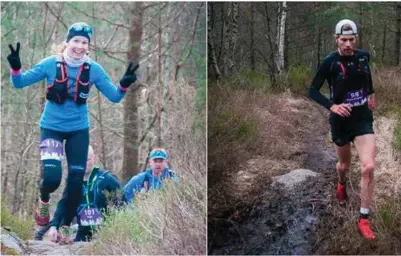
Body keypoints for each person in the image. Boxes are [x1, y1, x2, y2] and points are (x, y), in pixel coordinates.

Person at [7, 22, 138, 244]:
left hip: (79, 130)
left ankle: (66, 225)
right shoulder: (51, 64)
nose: (79, 46)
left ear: (88, 46)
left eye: (84, 42)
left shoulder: (94, 69)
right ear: (67, 42)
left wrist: (124, 85)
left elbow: (115, 97)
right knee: (52, 177)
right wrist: (16, 68)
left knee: (76, 181)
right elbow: (19, 83)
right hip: (52, 128)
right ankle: (44, 199)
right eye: (75, 40)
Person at [308, 19, 376, 240]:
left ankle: (363, 219)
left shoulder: (363, 56)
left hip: (362, 119)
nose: (348, 44)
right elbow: (313, 90)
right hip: (341, 122)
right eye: (344, 40)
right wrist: (332, 106)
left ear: (355, 39)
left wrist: (371, 94)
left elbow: (367, 76)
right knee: (344, 165)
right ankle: (341, 183)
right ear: (336, 39)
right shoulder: (330, 62)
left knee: (368, 167)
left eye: (351, 39)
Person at [34, 145, 122, 243]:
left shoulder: (107, 179)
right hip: (82, 234)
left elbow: (123, 203)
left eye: (87, 160)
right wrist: (54, 226)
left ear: (94, 159)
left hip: (106, 232)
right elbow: (63, 205)